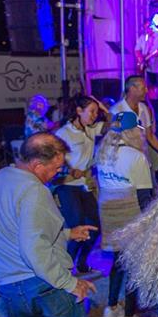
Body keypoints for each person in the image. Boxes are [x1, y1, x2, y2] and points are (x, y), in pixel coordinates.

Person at [0, 133, 97, 317]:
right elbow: (33, 248)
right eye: (55, 168)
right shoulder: (35, 191)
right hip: (42, 285)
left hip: (10, 286)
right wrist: (69, 282)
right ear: (36, 165)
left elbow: (16, 229)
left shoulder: (1, 177)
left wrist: (66, 234)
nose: (57, 174)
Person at [95, 112, 154, 317]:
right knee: (133, 265)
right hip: (129, 210)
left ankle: (111, 307)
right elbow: (144, 196)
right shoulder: (135, 156)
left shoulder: (102, 151)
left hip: (108, 210)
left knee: (118, 259)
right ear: (132, 131)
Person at [53, 95, 109, 274]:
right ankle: (65, 267)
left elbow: (115, 123)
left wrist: (102, 107)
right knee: (76, 225)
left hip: (84, 185)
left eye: (96, 111)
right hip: (68, 186)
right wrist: (70, 170)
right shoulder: (63, 133)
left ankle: (83, 263)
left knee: (95, 225)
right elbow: (54, 158)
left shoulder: (91, 129)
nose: (94, 115)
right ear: (79, 111)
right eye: (91, 111)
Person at [110, 75, 158, 172]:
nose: (146, 91)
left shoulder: (144, 108)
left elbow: (150, 136)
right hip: (125, 166)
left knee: (149, 186)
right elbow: (111, 140)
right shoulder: (116, 111)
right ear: (132, 89)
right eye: (143, 88)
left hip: (144, 161)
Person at [135, 19, 158, 99]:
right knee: (150, 87)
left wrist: (153, 55)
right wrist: (140, 59)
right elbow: (137, 50)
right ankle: (152, 104)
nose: (148, 29)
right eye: (145, 28)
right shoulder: (143, 37)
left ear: (153, 25)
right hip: (149, 67)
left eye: (149, 27)